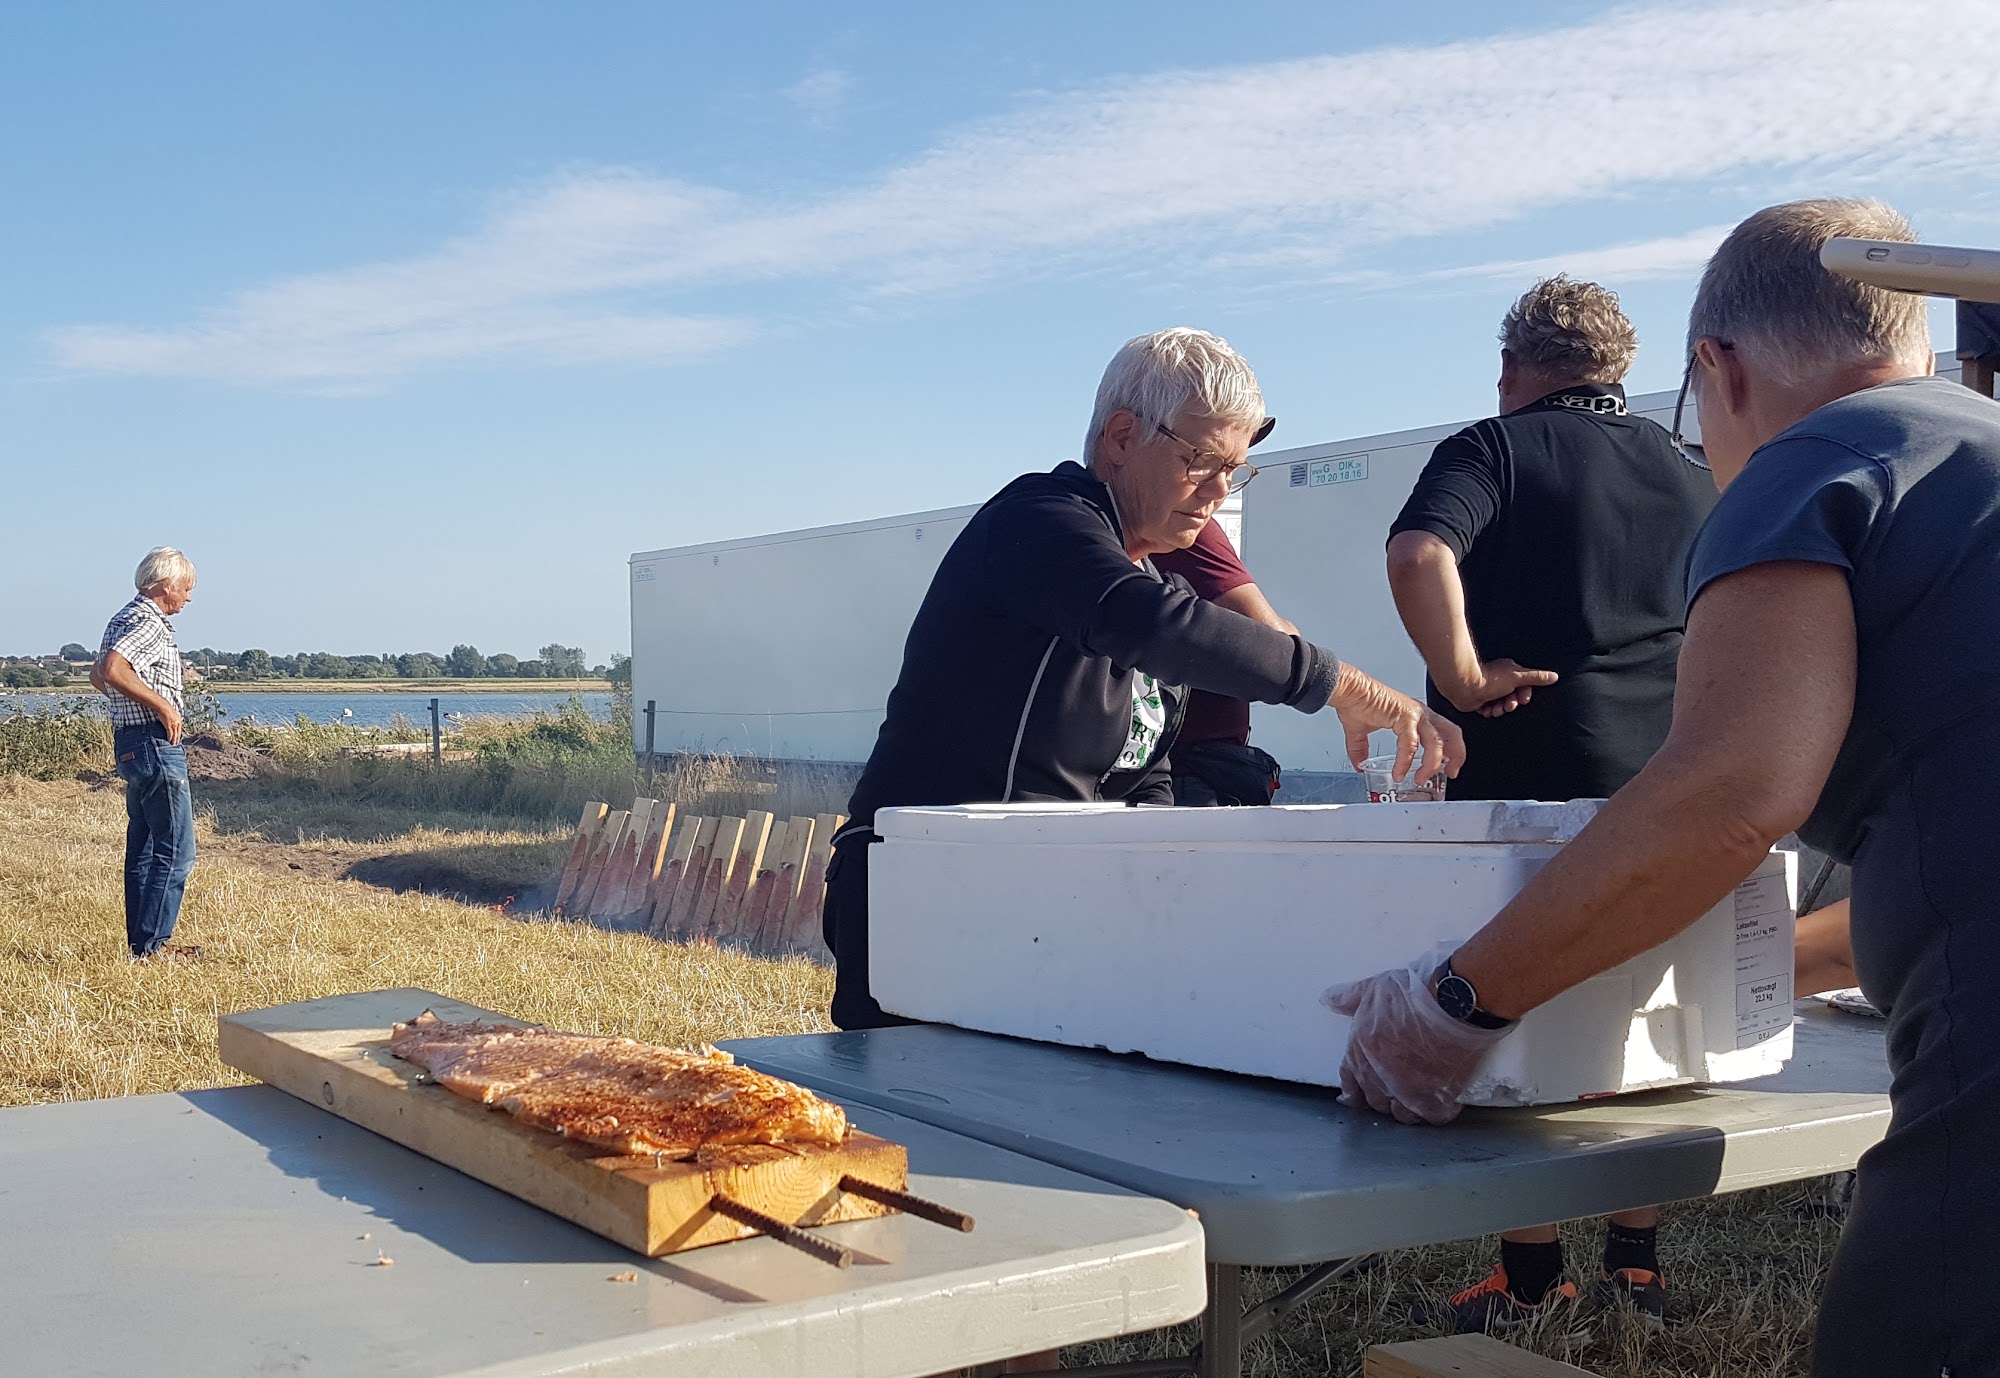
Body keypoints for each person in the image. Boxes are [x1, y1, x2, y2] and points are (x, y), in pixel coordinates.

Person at [1329, 198, 2000, 1378]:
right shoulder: (1974, 454)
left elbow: (1729, 793)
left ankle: (1531, 1269)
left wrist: (1455, 1004)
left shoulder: (1815, 463)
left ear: (1717, 367)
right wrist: (1754, 961)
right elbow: (1953, 859)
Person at [827, 327, 1464, 1030]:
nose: (1218, 491)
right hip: (926, 896)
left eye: (1234, 470)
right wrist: (1347, 688)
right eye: (1201, 461)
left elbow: (1142, 776)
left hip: (1043, 912)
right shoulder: (1038, 521)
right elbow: (1155, 627)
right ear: (1122, 437)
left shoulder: (1155, 583)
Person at [1384, 277, 1717, 1328]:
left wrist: (1462, 676)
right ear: (1616, 369)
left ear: (1509, 369)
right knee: (1644, 1020)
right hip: (1663, 784)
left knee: (1507, 1014)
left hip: (1521, 784)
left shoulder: (1491, 448)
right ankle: (1635, 1268)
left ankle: (1531, 1281)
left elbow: (1417, 552)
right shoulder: (1692, 469)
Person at [91, 546, 203, 962]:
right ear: (164, 586)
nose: (189, 597)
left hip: (130, 743)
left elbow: (98, 674)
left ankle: (142, 945)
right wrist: (162, 707)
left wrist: (129, 705)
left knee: (143, 847)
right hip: (155, 744)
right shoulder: (149, 622)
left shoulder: (122, 617)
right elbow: (113, 669)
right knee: (176, 850)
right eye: (186, 587)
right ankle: (154, 947)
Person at [1153, 518, 1293, 806]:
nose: (1215, 495)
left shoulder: (1106, 530)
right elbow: (1277, 642)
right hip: (1195, 771)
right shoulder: (1185, 526)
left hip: (1157, 765)